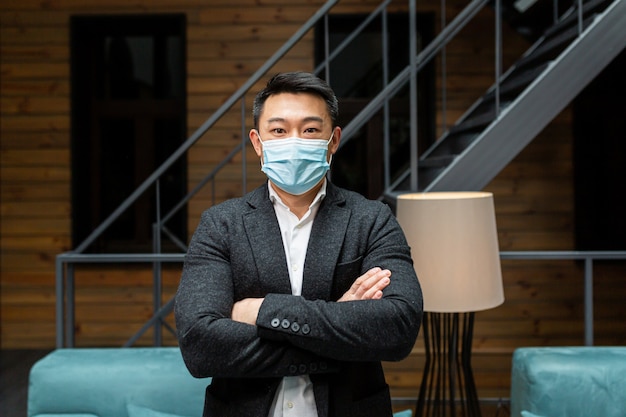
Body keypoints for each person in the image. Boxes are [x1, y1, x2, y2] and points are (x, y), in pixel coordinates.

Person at [175, 71, 423, 417]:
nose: (294, 141)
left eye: (310, 130)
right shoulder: (221, 224)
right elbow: (200, 347)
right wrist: (341, 323)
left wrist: (259, 311)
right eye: (278, 130)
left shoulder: (373, 219)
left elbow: (398, 327)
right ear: (258, 142)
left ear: (333, 140)